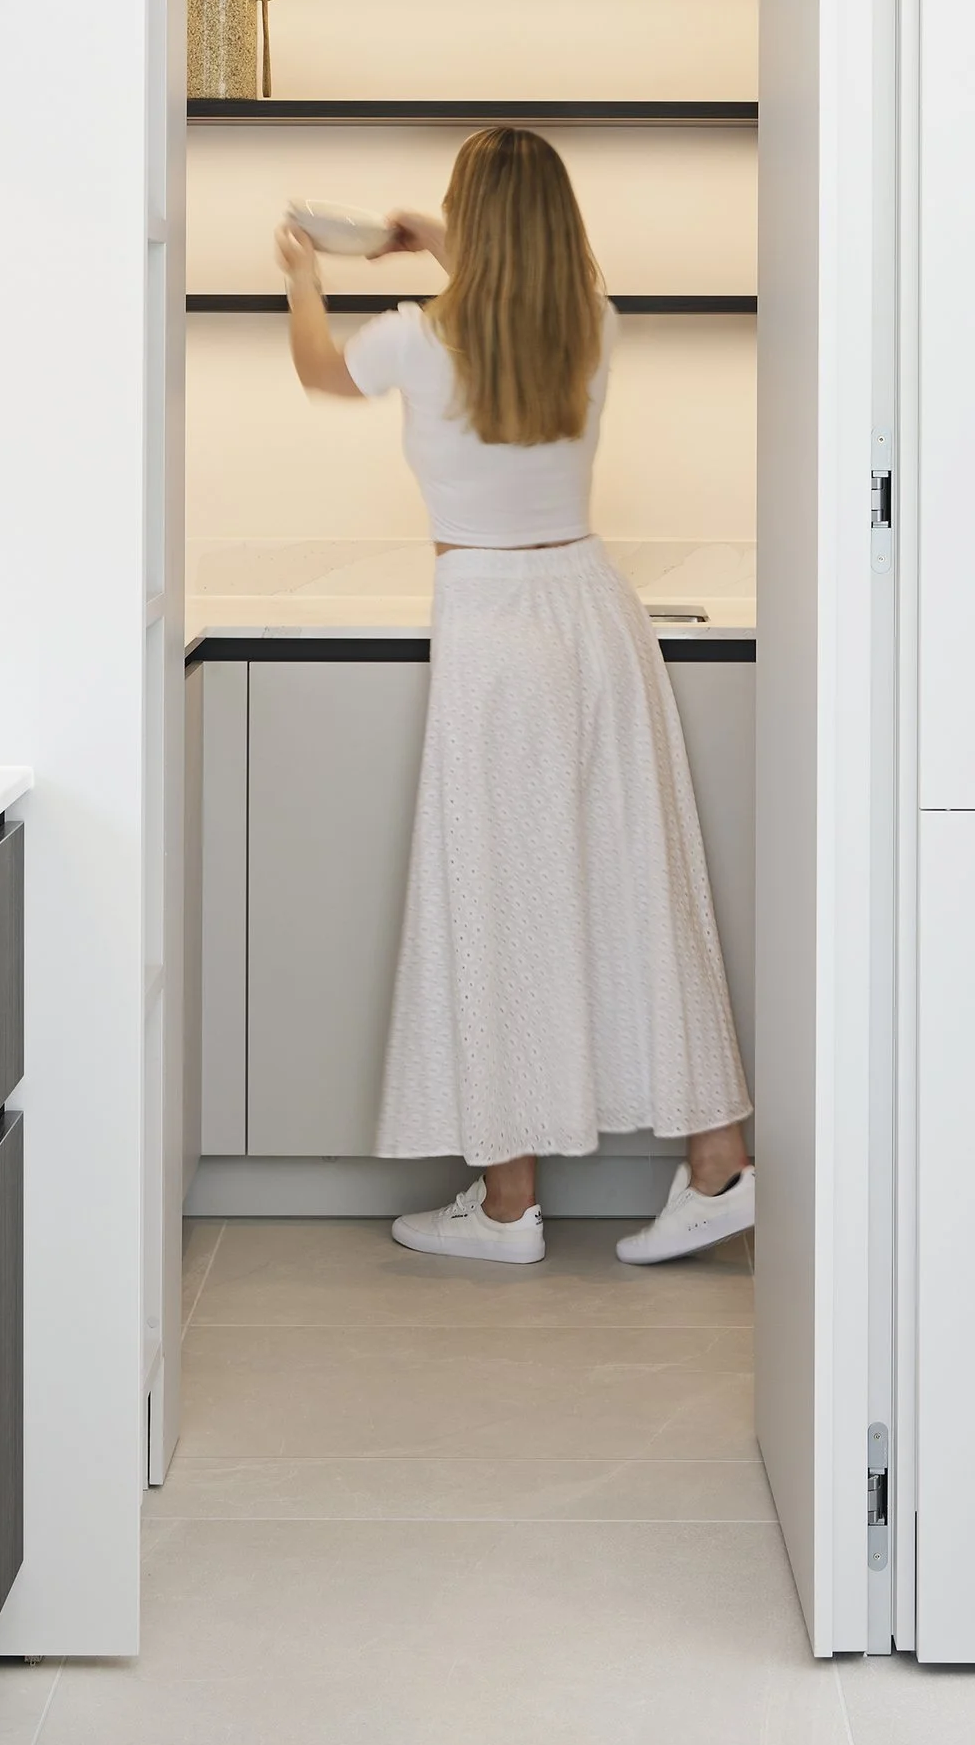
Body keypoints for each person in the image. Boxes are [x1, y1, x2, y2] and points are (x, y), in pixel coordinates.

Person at [275, 124, 754, 1268]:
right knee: (646, 892)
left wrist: (306, 276)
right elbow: (536, 272)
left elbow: (311, 369)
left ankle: (505, 1207)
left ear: (468, 226)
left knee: (497, 902)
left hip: (492, 622)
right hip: (595, 606)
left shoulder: (409, 340)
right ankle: (718, 1164)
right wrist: (426, 234)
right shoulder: (592, 322)